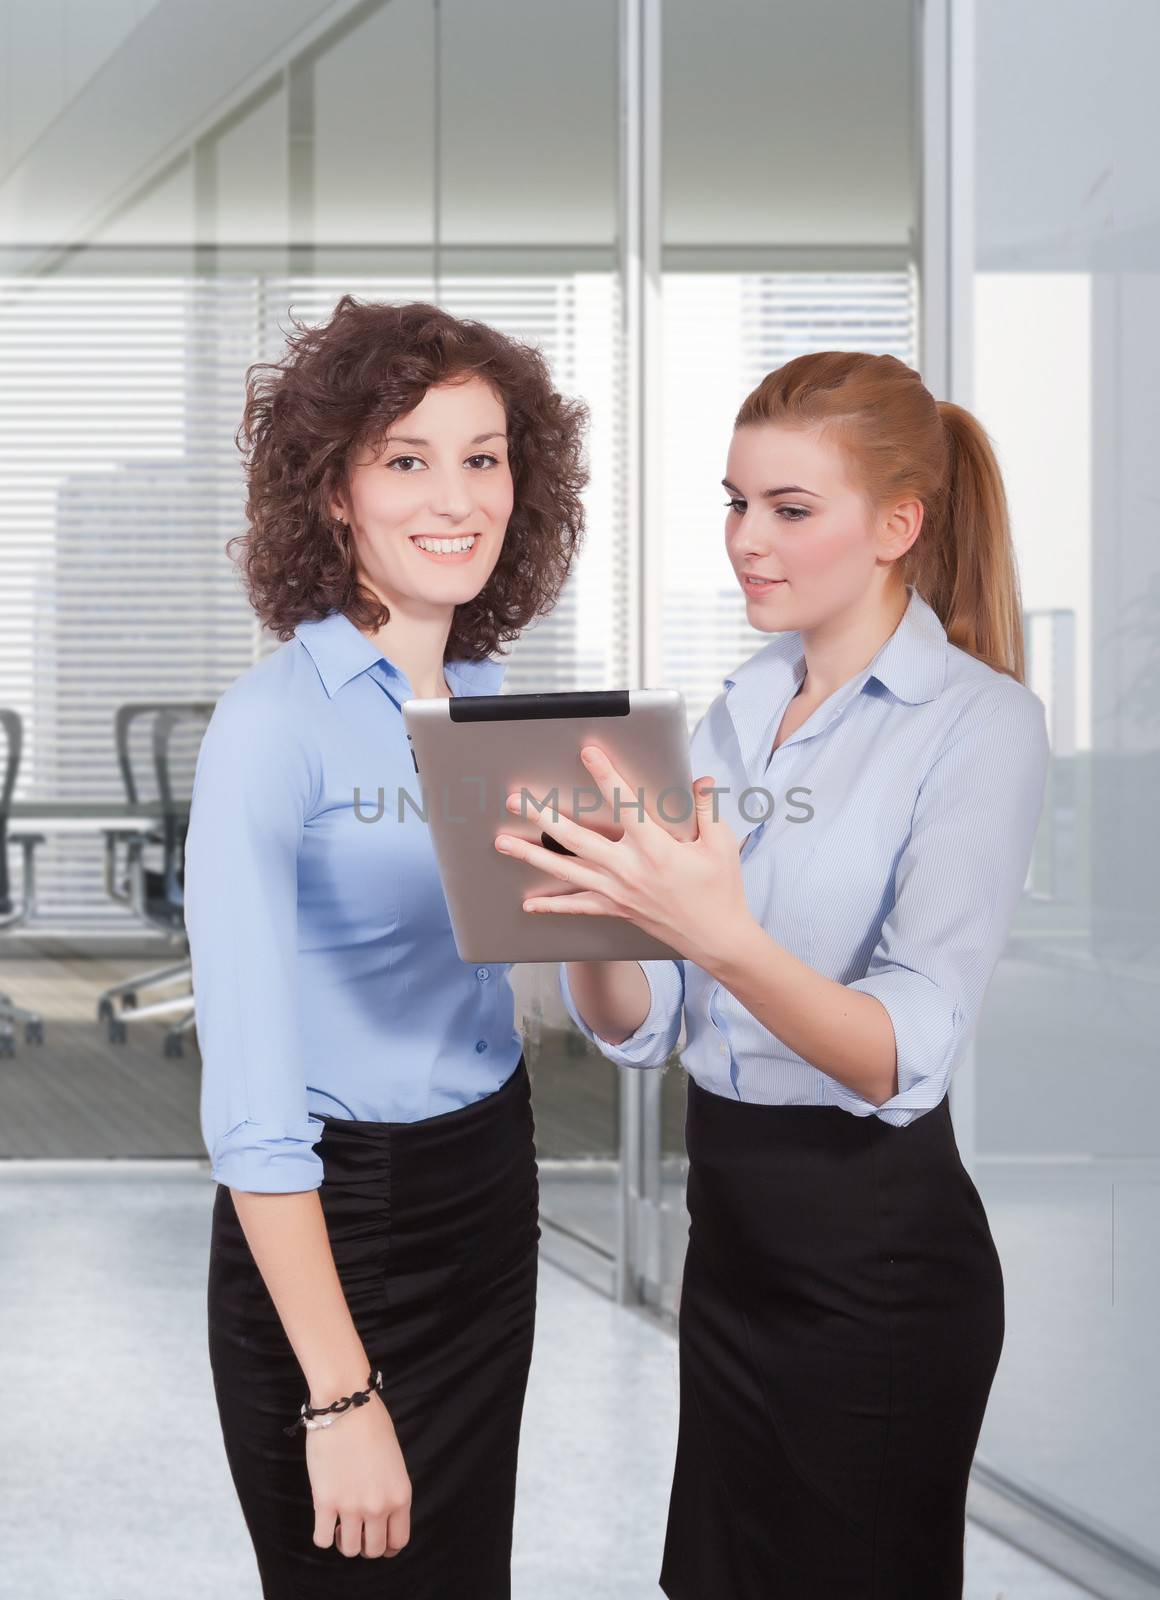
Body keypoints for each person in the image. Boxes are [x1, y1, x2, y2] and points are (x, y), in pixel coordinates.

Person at [492, 350, 1050, 1598]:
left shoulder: (977, 724)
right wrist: (598, 922)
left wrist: (717, 929)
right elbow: (653, 1021)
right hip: (730, 1246)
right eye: (735, 502)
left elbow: (904, 1051)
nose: (747, 538)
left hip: (878, 1267)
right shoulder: (737, 712)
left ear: (895, 525)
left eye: (789, 510)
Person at [184, 295, 587, 1598]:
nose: (455, 496)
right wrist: (339, 1396)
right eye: (407, 458)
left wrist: (641, 894)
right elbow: (250, 1109)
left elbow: (588, 983)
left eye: (484, 458)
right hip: (330, 1227)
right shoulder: (272, 727)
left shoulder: (491, 712)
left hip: (487, 1191)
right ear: (336, 491)